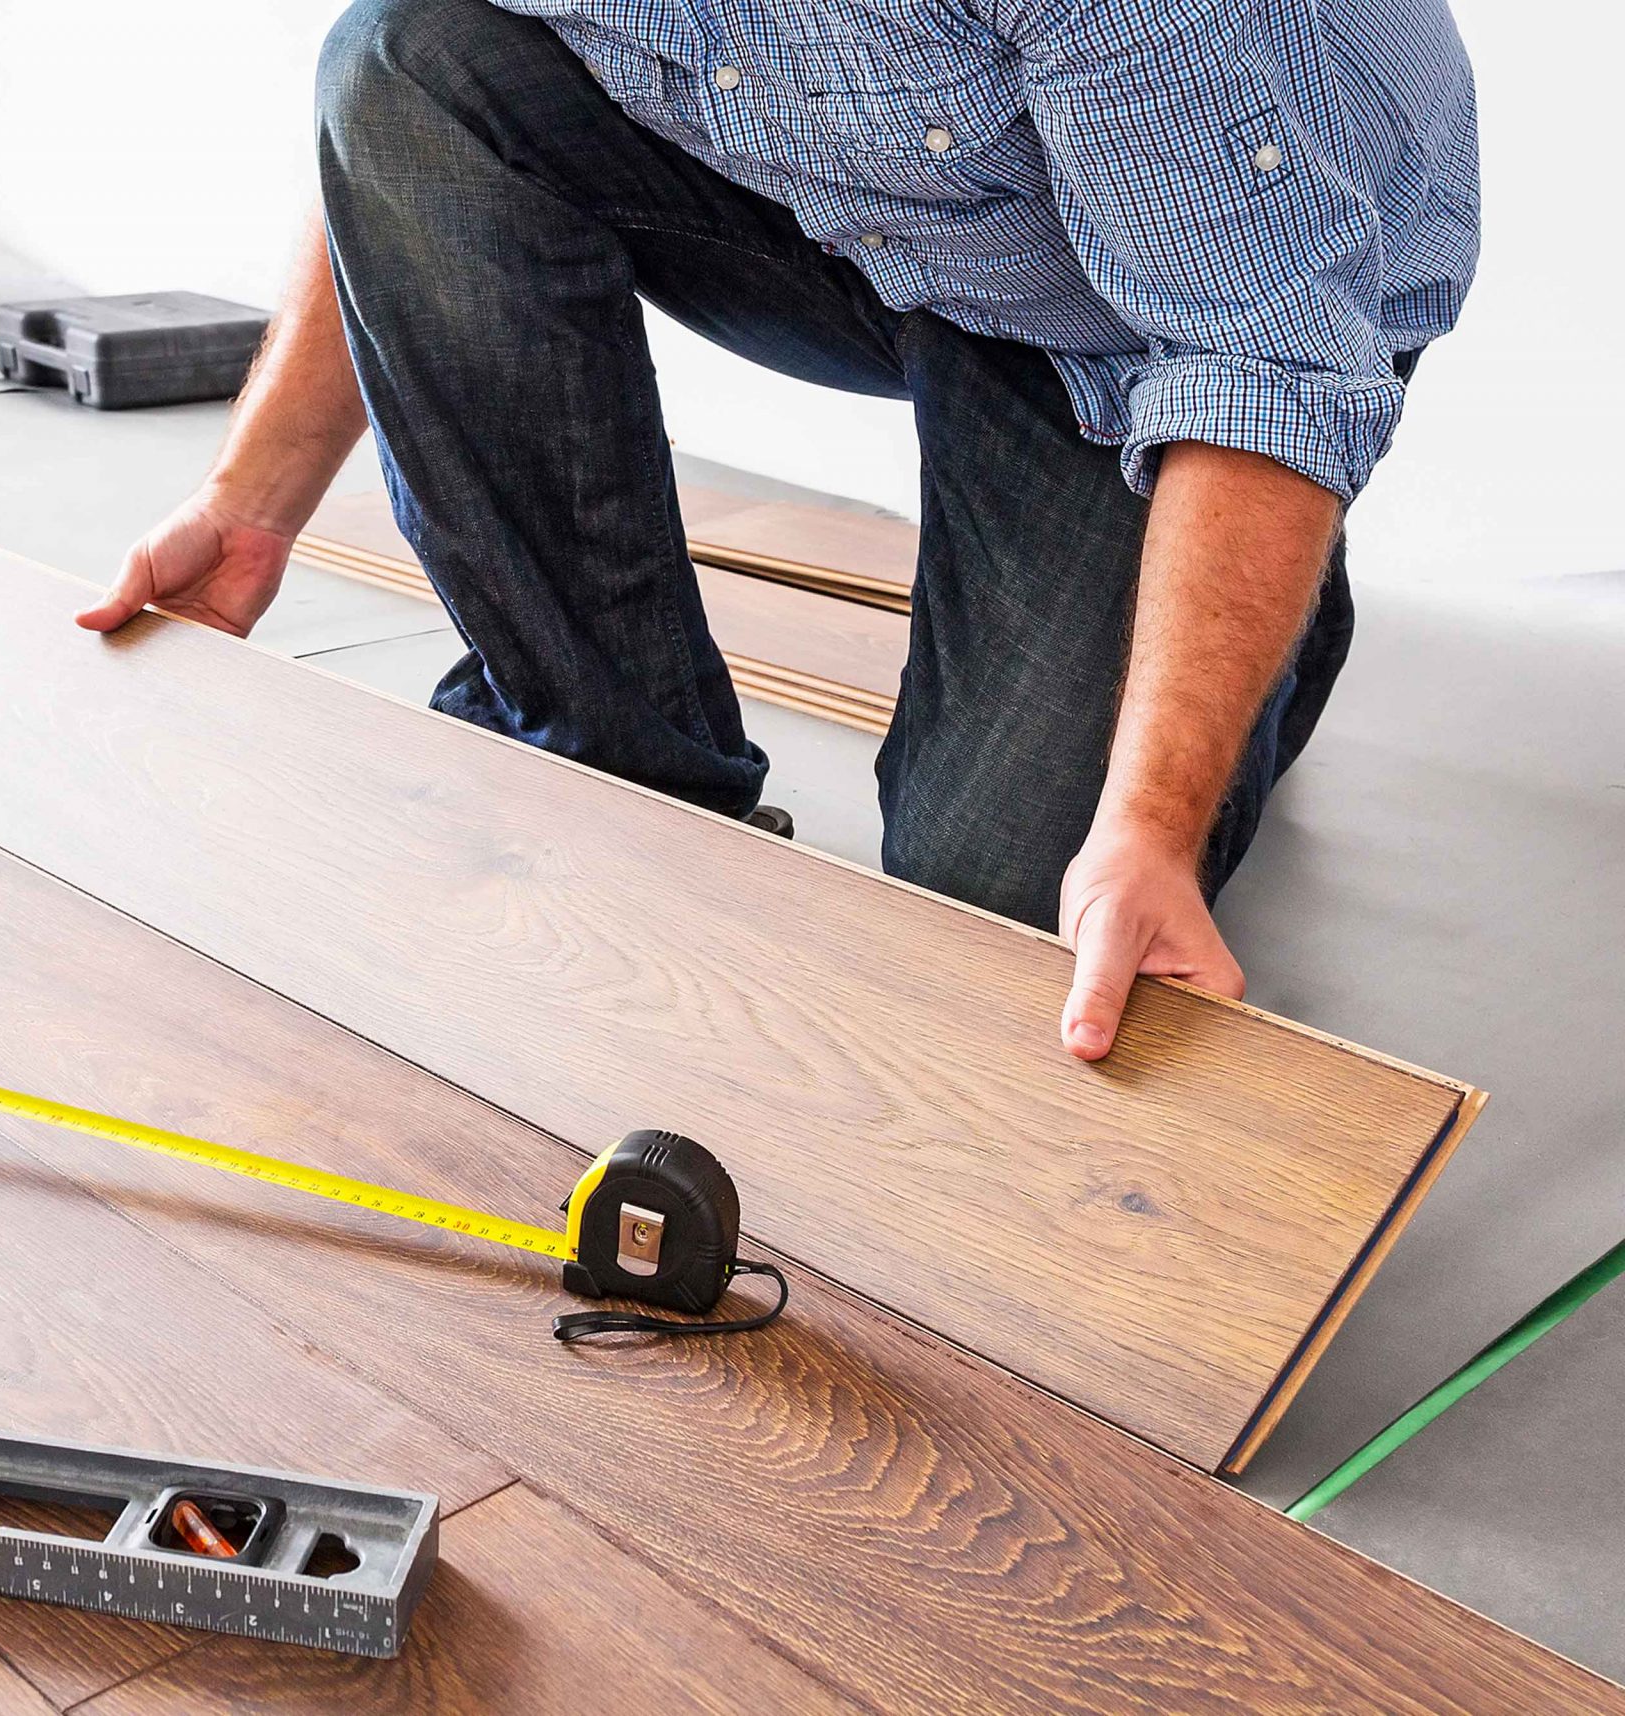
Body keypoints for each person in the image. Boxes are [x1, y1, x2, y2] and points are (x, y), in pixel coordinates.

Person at [78, 0, 1476, 1063]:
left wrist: (1149, 821)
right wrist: (248, 503)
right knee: (407, 54)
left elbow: (1269, 369)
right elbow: (399, 118)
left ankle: (1267, 614)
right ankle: (618, 767)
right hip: (868, 190)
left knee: (995, 902)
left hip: (1164, 322)